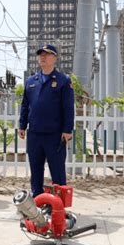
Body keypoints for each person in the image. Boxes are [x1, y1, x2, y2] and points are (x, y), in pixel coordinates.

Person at [19, 44, 74, 197]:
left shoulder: (63, 81)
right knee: (36, 169)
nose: (43, 57)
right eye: (40, 55)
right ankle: (37, 200)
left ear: (54, 58)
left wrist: (67, 130)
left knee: (57, 170)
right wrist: (22, 125)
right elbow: (25, 105)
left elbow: (68, 108)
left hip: (54, 134)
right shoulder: (31, 81)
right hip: (35, 133)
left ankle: (60, 205)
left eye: (47, 54)